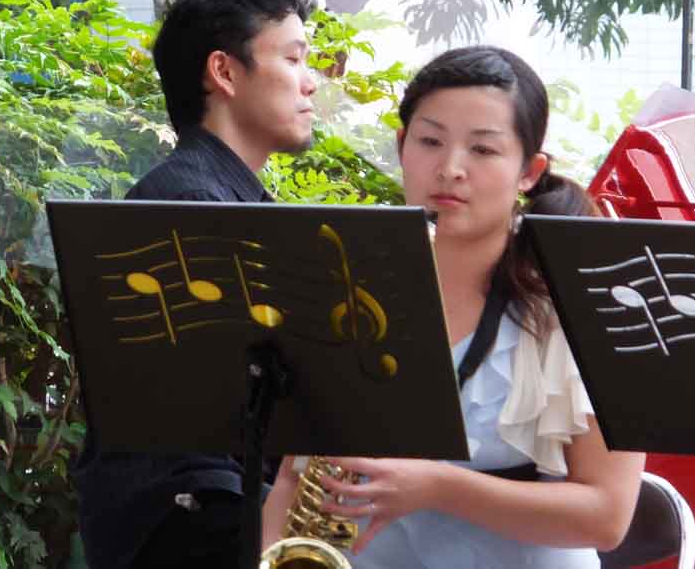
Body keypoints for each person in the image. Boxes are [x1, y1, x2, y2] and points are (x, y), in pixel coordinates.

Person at [263, 45, 644, 568]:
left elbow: (608, 516)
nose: (450, 169)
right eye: (430, 142)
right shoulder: (347, 287)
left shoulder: (577, 305)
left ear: (530, 171)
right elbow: (296, 476)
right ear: (402, 146)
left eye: (483, 149)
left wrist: (437, 487)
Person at [73, 0, 318, 569]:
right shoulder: (192, 205)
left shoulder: (218, 197)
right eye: (293, 59)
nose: (311, 82)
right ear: (224, 72)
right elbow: (219, 422)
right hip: (188, 524)